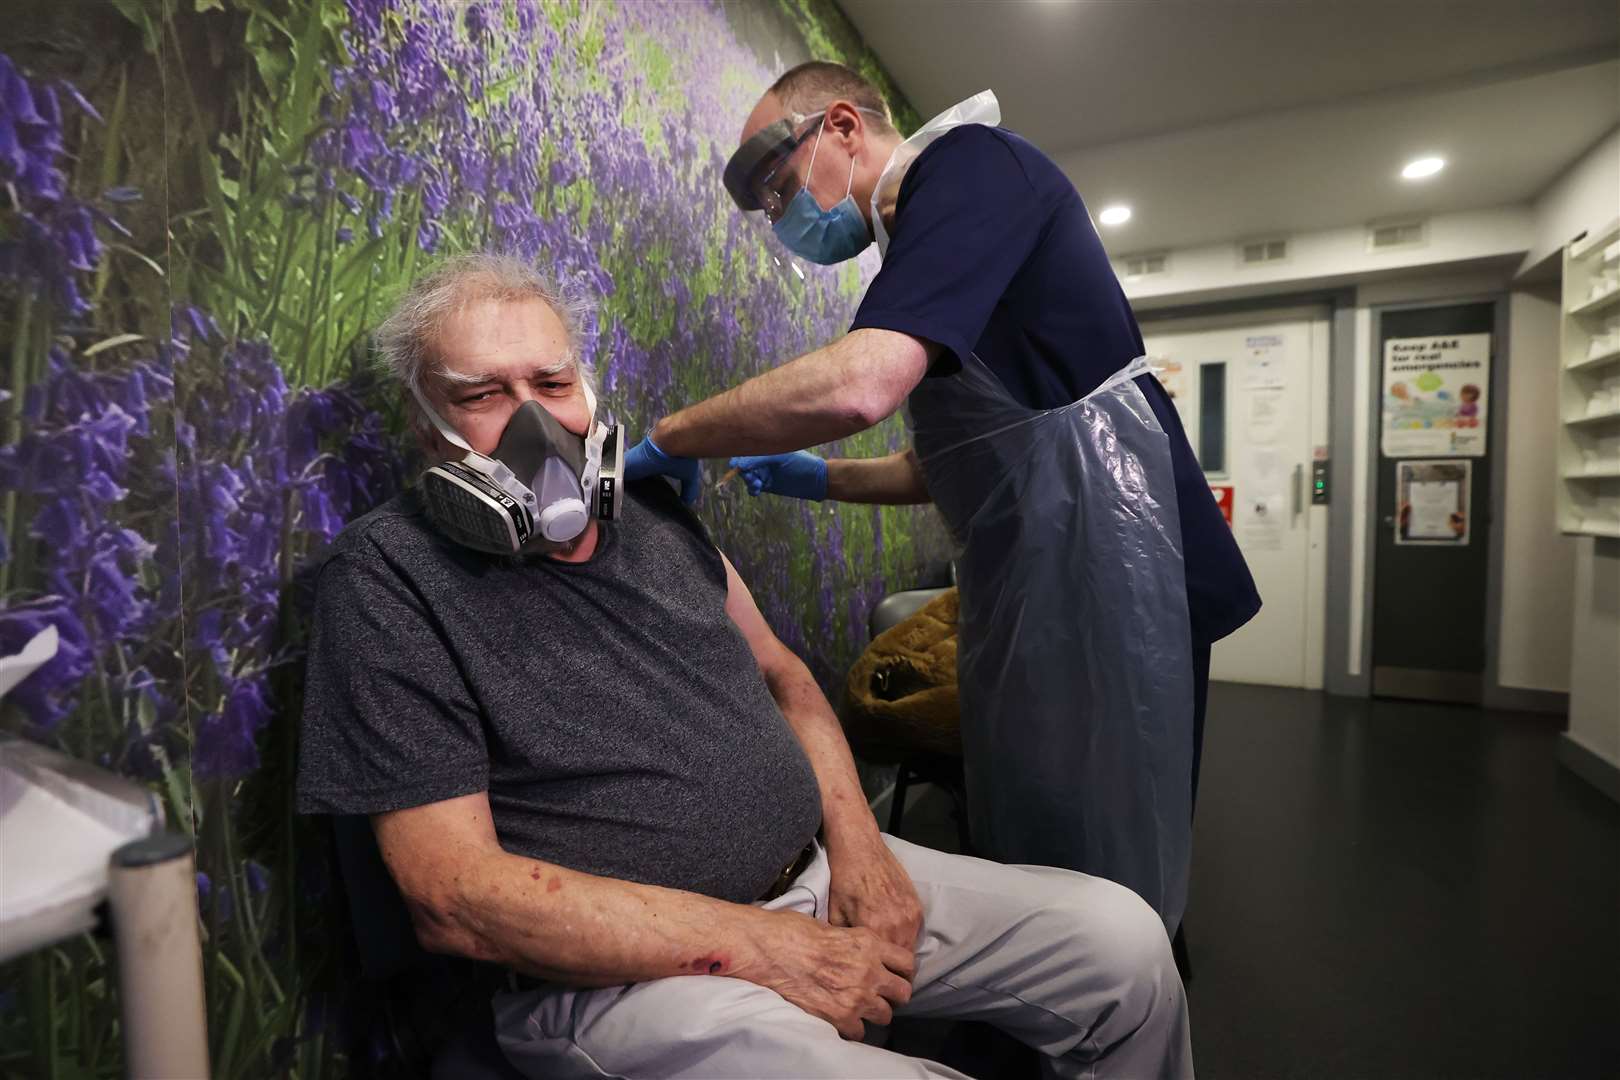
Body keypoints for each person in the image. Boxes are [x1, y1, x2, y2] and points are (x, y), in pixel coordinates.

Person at [295, 254, 1193, 1079]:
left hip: (821, 876)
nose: (532, 418)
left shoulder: (653, 517)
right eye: (481, 394)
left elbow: (784, 677)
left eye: (552, 382)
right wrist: (763, 949)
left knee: (1126, 948)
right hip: (626, 980)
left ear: (588, 391)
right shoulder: (384, 581)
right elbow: (453, 895)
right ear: (425, 427)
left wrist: (864, 851)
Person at [622, 62, 1262, 935]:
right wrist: (819, 478)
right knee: (1042, 849)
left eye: (780, 188)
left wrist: (677, 433)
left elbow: (861, 385)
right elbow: (962, 463)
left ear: (843, 127)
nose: (783, 221)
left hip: (1118, 573)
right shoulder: (926, 236)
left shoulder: (972, 170)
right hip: (1043, 579)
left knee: (1108, 874)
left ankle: (1120, 1028)